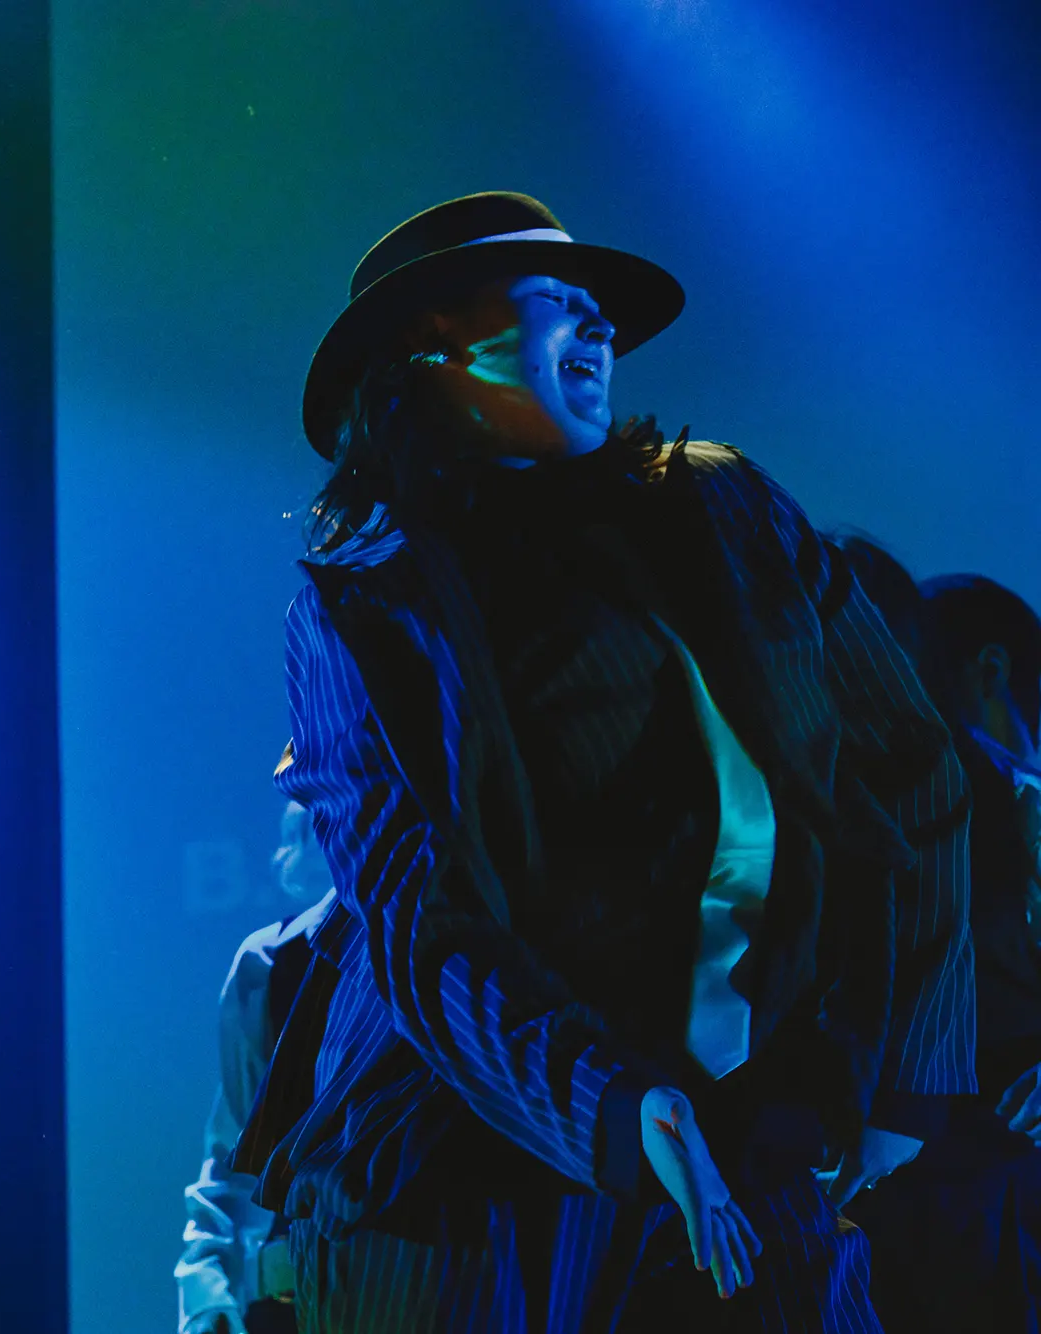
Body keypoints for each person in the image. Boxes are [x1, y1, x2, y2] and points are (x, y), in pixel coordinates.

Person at [231, 192, 973, 1331]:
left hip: (759, 1129)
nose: (600, 328)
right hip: (469, 1182)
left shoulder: (725, 506)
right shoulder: (368, 608)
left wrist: (908, 1075)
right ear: (433, 346)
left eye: (600, 310)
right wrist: (613, 1106)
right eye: (555, 302)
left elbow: (912, 766)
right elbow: (419, 927)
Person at [841, 560, 1041, 1330]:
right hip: (984, 1189)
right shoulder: (1008, 799)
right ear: (991, 670)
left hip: (879, 1182)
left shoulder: (833, 787)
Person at [178, 793, 338, 1334]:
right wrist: (208, 1284)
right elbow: (235, 1154)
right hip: (295, 1302)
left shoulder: (447, 954)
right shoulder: (272, 965)